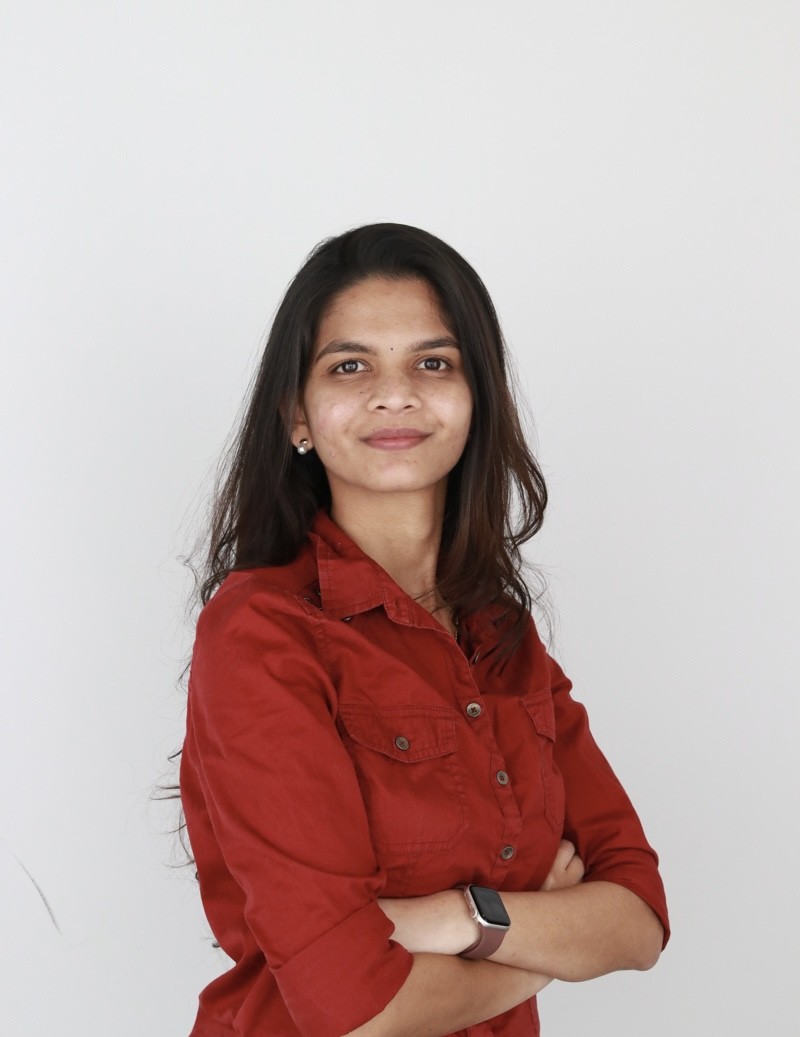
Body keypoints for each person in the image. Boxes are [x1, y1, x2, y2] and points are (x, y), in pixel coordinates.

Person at [178, 223, 669, 1037]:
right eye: (350, 365)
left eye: (432, 363)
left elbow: (641, 915)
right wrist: (549, 935)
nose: (394, 392)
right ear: (297, 414)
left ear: (477, 400)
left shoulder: (503, 637)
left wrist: (452, 919)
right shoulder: (260, 633)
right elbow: (356, 1009)